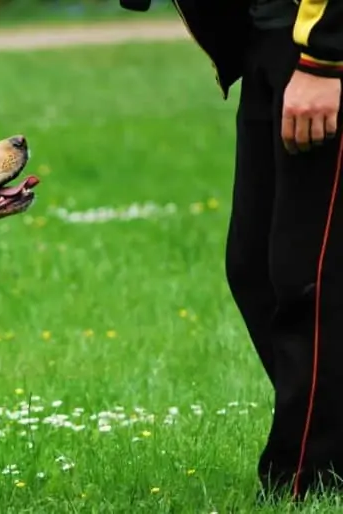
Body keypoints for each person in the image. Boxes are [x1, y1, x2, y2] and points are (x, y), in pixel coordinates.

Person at [121, 0, 343, 501]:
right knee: (254, 269)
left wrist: (328, 56)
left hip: (318, 50)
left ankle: (306, 477)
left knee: (310, 279)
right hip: (268, 36)